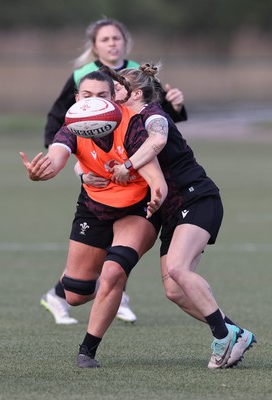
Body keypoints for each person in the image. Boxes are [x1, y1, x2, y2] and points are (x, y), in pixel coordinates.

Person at [83, 63, 256, 369]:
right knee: (174, 290)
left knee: (177, 268)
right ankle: (234, 331)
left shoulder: (153, 115)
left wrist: (128, 166)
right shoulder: (126, 123)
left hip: (197, 198)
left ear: (135, 93)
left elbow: (158, 140)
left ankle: (222, 334)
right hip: (171, 210)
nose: (113, 94)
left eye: (118, 89)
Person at [42, 17, 187, 325]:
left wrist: (177, 105)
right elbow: (61, 120)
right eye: (105, 39)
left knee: (118, 255)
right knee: (81, 282)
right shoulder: (83, 75)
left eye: (116, 38)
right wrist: (67, 160)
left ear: (125, 42)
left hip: (131, 174)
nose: (112, 43)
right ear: (94, 46)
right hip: (94, 166)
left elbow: (156, 116)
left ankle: (113, 287)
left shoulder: (136, 70)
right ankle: (79, 288)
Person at [20, 70, 168, 368]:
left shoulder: (132, 125)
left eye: (102, 96)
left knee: (114, 272)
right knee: (75, 295)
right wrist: (42, 172)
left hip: (137, 208)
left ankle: (87, 350)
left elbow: (157, 179)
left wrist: (157, 193)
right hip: (94, 207)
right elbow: (57, 158)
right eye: (87, 96)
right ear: (76, 100)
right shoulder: (71, 127)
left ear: (115, 99)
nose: (93, 103)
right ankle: (97, 276)